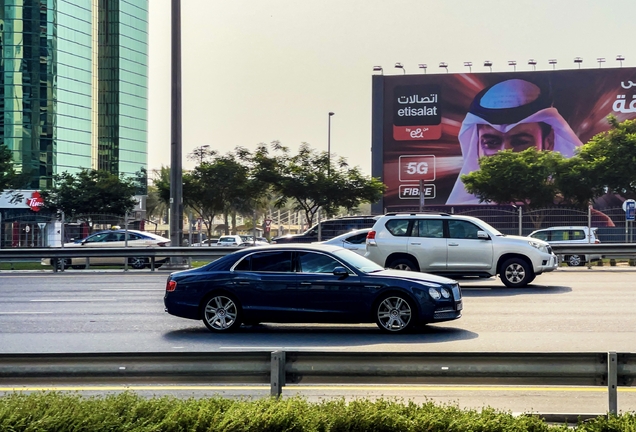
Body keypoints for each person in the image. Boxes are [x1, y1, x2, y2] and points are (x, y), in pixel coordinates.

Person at [446, 78, 583, 205]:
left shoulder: (574, 211)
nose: (505, 154)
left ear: (548, 142)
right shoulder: (462, 218)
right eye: (492, 143)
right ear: (477, 147)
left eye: (520, 142)